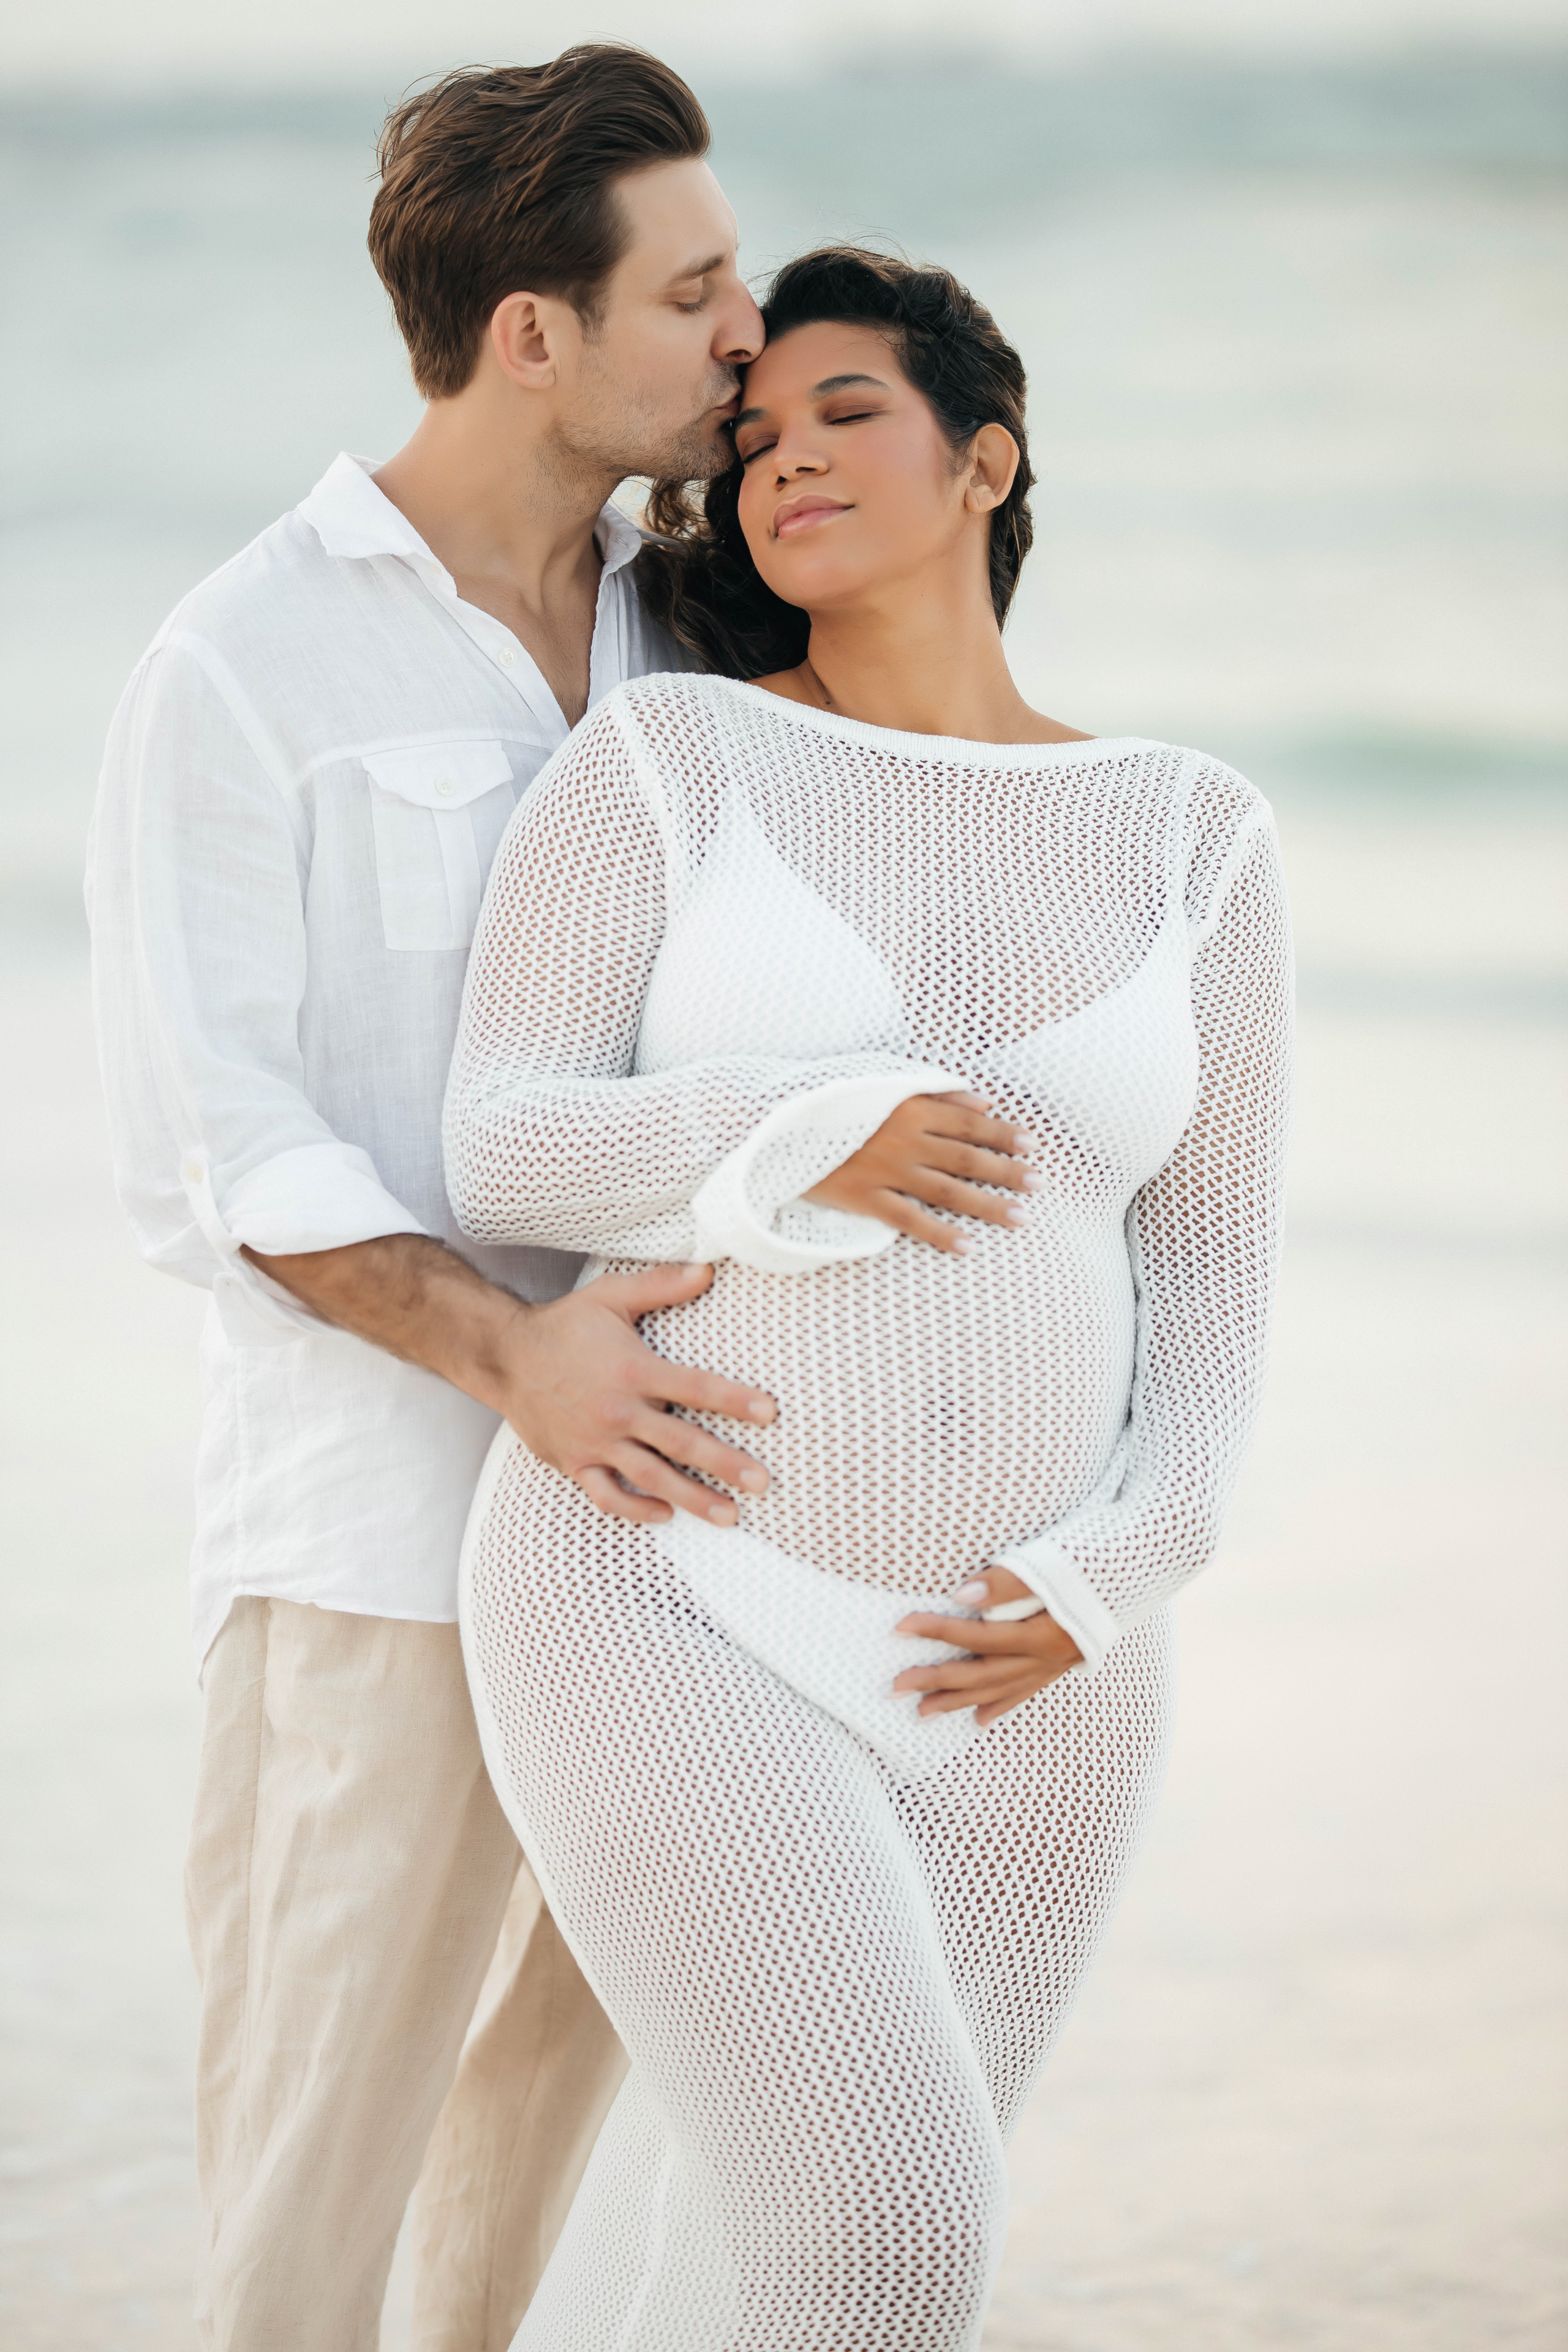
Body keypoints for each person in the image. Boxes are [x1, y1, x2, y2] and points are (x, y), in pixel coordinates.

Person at [442, 246, 1296, 2350]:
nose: (783, 460)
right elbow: (502, 1137)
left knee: (753, 2259)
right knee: (896, 2245)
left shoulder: (1192, 835)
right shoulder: (673, 767)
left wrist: (1137, 1563)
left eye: (844, 414)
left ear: (985, 455)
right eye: (749, 442)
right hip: (665, 1597)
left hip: (1039, 1673)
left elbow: (1212, 1266)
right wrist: (800, 1126)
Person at [86, 47, 794, 2352]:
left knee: (537, 2160)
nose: (743, 335)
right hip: (380, 1545)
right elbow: (222, 1144)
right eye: (694, 293)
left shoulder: (703, 639)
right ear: (532, 333)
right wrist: (515, 1355)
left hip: (669, 1554)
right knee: (316, 2195)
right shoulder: (246, 661)